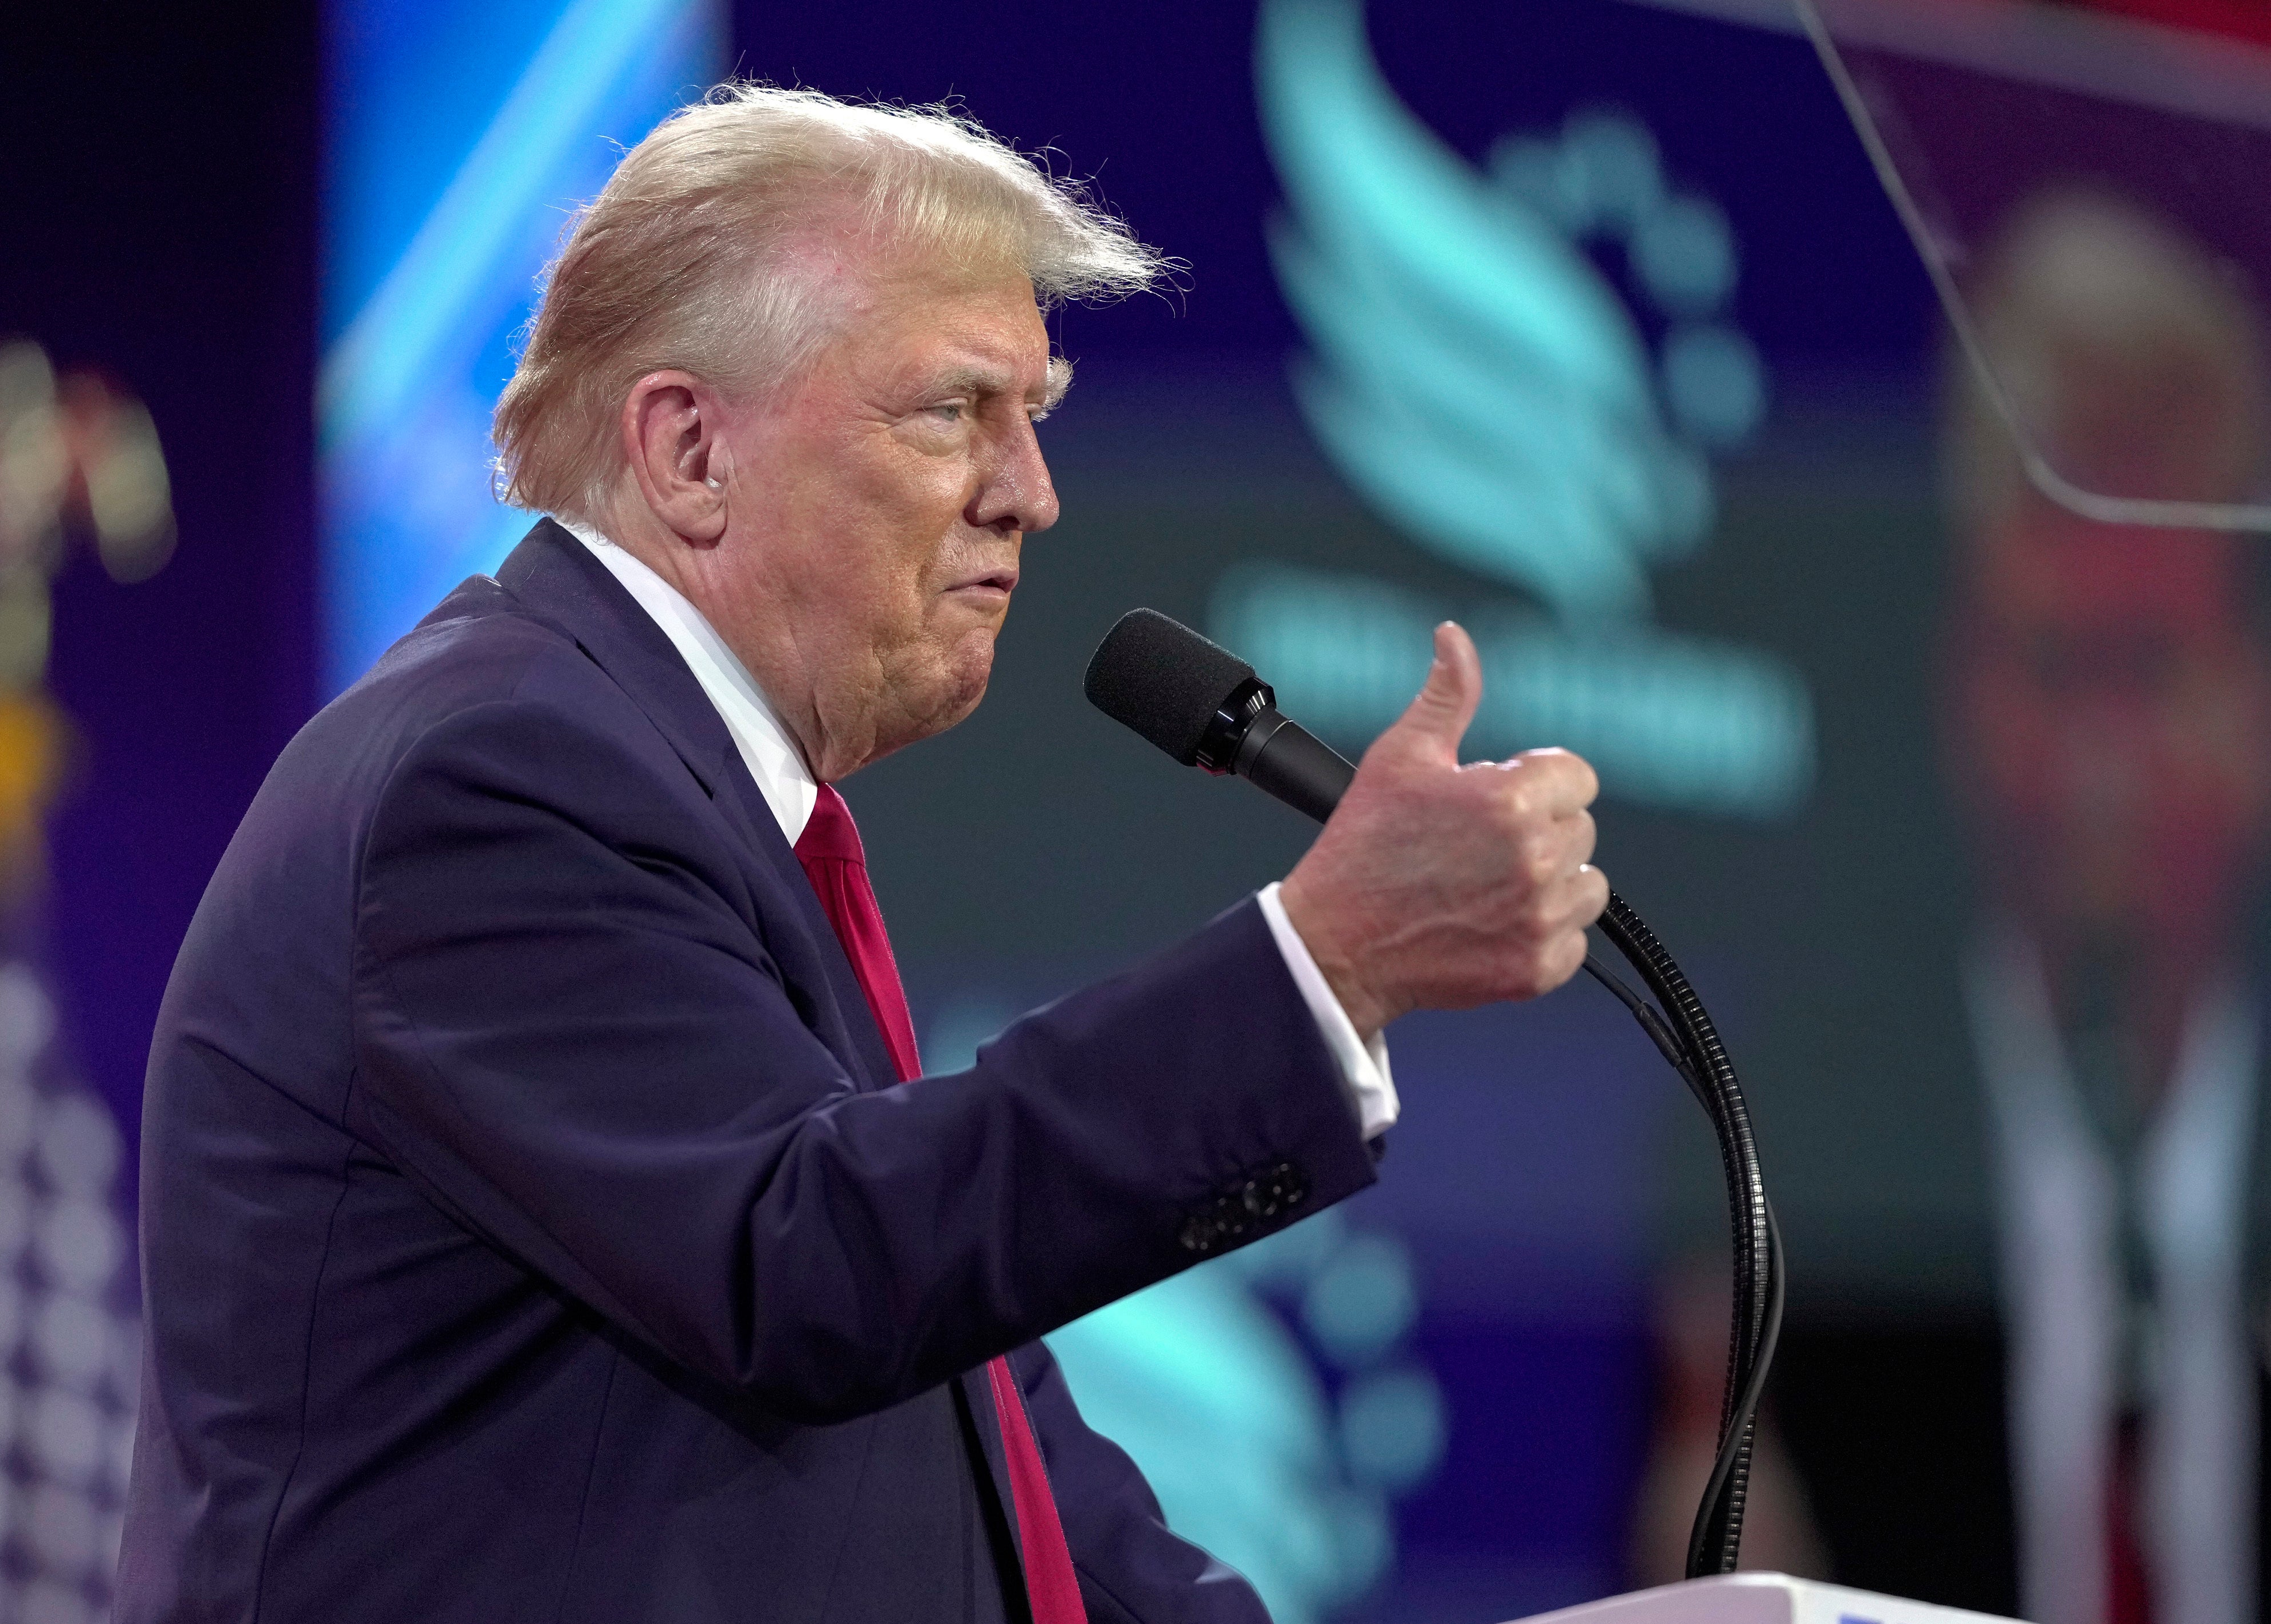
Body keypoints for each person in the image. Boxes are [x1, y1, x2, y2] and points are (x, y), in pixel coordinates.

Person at [114, 85, 1608, 1622]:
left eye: (1036, 413)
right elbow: (807, 1260)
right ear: (690, 450)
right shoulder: (495, 773)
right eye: (956, 408)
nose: (1030, 490)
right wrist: (1327, 959)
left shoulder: (699, 805)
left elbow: (993, 1448)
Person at [1638, 190, 2271, 1624]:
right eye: (2052, 670)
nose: (2094, 777)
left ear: (2255, 681)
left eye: (2149, 668)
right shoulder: (1780, 1148)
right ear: (1959, 681)